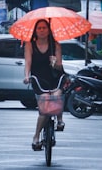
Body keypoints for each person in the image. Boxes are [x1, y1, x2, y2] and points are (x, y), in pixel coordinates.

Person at [23, 19, 64, 151]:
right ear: (35, 30)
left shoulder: (56, 45)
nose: (41, 30)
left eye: (44, 28)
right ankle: (36, 137)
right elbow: (28, 62)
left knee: (57, 95)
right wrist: (26, 76)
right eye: (39, 28)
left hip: (54, 78)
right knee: (46, 104)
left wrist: (55, 63)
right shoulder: (30, 45)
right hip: (38, 79)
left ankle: (59, 120)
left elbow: (59, 67)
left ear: (48, 30)